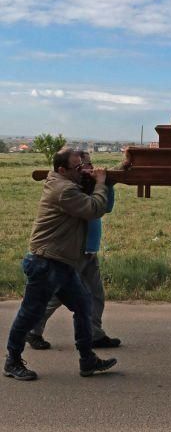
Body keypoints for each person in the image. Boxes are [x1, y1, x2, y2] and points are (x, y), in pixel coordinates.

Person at [3, 148, 118, 381]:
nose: (83, 170)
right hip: (45, 262)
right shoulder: (64, 190)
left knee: (84, 306)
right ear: (62, 170)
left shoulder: (65, 182)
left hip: (62, 262)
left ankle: (87, 360)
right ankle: (12, 361)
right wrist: (101, 182)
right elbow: (93, 209)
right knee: (29, 314)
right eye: (78, 168)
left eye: (83, 166)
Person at [26, 151, 121, 351]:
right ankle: (32, 330)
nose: (90, 169)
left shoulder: (89, 185)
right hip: (74, 251)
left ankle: (95, 334)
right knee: (58, 297)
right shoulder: (76, 189)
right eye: (83, 166)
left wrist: (115, 175)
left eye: (89, 165)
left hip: (89, 248)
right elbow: (95, 207)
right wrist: (102, 183)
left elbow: (107, 205)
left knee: (95, 295)